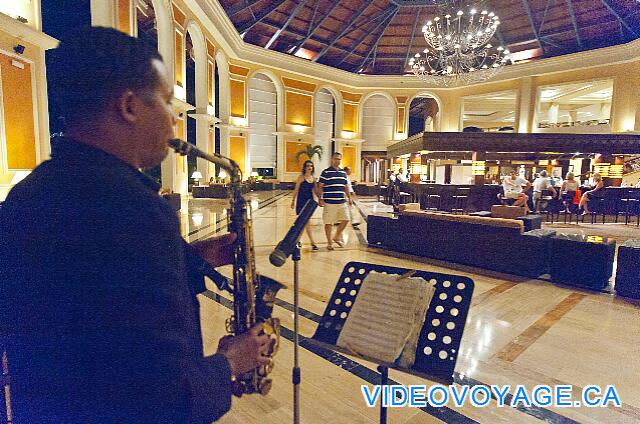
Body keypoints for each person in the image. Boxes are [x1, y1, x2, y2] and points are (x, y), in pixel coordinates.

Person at [0, 27, 269, 423]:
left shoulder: (29, 195)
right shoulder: (136, 211)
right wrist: (229, 362)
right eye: (165, 101)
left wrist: (190, 259)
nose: (175, 118)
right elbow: (162, 396)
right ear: (129, 105)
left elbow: (91, 304)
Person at [318, 152, 352, 250]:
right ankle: (329, 243)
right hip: (329, 202)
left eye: (339, 159)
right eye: (336, 159)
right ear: (332, 159)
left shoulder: (343, 173)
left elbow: (345, 186)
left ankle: (337, 236)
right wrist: (320, 199)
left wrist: (349, 197)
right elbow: (320, 186)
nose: (337, 161)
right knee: (328, 223)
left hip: (341, 201)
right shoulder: (326, 172)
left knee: (346, 219)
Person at [290, 160, 318, 250]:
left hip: (309, 202)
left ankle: (296, 241)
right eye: (308, 166)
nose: (309, 167)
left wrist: (320, 199)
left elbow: (315, 191)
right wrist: (293, 201)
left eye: (311, 166)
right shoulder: (301, 178)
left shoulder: (313, 179)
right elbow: (296, 190)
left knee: (304, 223)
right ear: (305, 167)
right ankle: (312, 242)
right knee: (305, 222)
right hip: (301, 202)